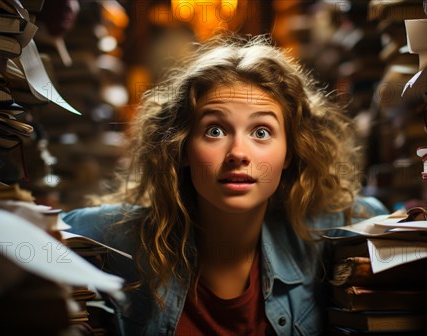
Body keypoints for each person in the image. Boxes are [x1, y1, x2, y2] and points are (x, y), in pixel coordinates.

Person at [61, 32, 388, 336]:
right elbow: (39, 232)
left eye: (261, 132)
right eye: (215, 130)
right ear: (183, 148)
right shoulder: (116, 236)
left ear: (290, 152)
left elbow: (380, 222)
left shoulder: (325, 232)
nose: (238, 154)